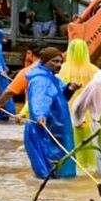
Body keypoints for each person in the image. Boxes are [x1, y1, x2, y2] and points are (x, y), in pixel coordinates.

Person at [24, 48, 78, 179]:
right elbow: (38, 100)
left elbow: (60, 96)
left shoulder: (54, 78)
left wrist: (69, 89)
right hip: (46, 127)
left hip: (58, 126)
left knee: (62, 159)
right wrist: (39, 115)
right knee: (50, 164)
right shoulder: (40, 80)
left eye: (60, 61)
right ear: (45, 61)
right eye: (55, 61)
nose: (59, 65)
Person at [58, 39, 100, 168]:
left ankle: (76, 170)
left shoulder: (63, 69)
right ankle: (91, 169)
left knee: (71, 146)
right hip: (89, 114)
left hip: (69, 113)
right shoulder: (94, 70)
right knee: (90, 146)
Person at [0, 43, 42, 120]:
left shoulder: (28, 71)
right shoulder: (51, 70)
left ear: (29, 53)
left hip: (34, 115)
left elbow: (9, 92)